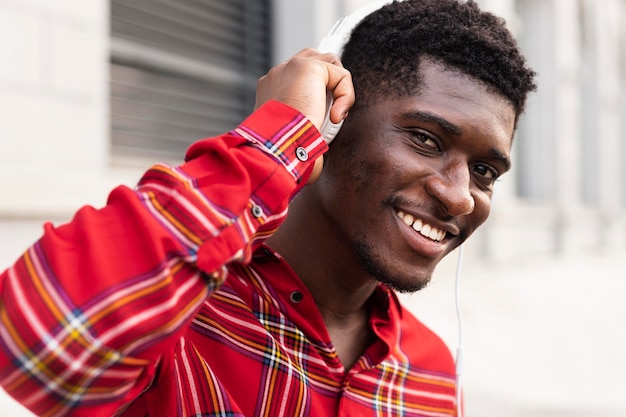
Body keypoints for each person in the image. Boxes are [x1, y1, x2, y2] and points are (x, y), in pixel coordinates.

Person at [0, 0, 536, 416]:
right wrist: (273, 142)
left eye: (485, 171)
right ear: (332, 120)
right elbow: (34, 344)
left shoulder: (431, 370)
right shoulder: (174, 311)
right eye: (425, 139)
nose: (460, 194)